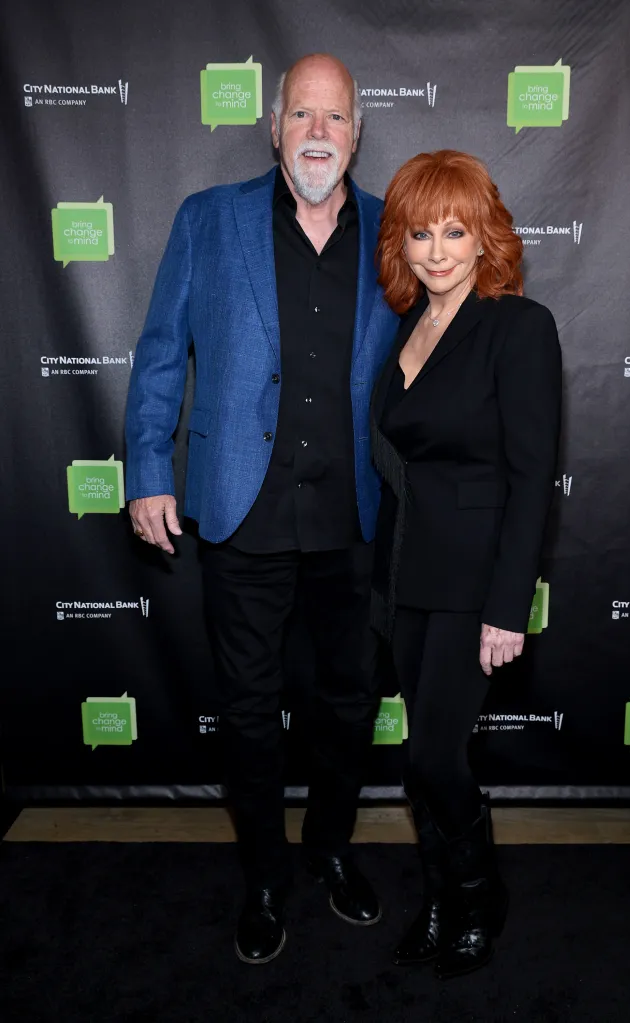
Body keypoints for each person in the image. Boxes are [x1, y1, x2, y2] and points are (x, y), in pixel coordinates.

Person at [125, 54, 398, 965]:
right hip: (239, 512)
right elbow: (163, 350)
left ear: (357, 133)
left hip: (354, 518)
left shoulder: (394, 232)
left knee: (349, 704)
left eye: (335, 118)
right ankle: (265, 876)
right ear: (273, 126)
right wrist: (146, 469)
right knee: (248, 710)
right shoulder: (210, 219)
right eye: (302, 115)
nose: (318, 132)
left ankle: (327, 850)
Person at [371, 150, 562, 979]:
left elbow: (531, 480)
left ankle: (481, 894)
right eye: (421, 232)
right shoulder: (406, 328)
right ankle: (442, 897)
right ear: (402, 243)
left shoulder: (520, 326)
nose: (438, 249)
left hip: (474, 584)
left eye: (455, 230)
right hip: (405, 576)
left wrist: (507, 606)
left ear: (485, 237)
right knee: (423, 760)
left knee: (434, 759)